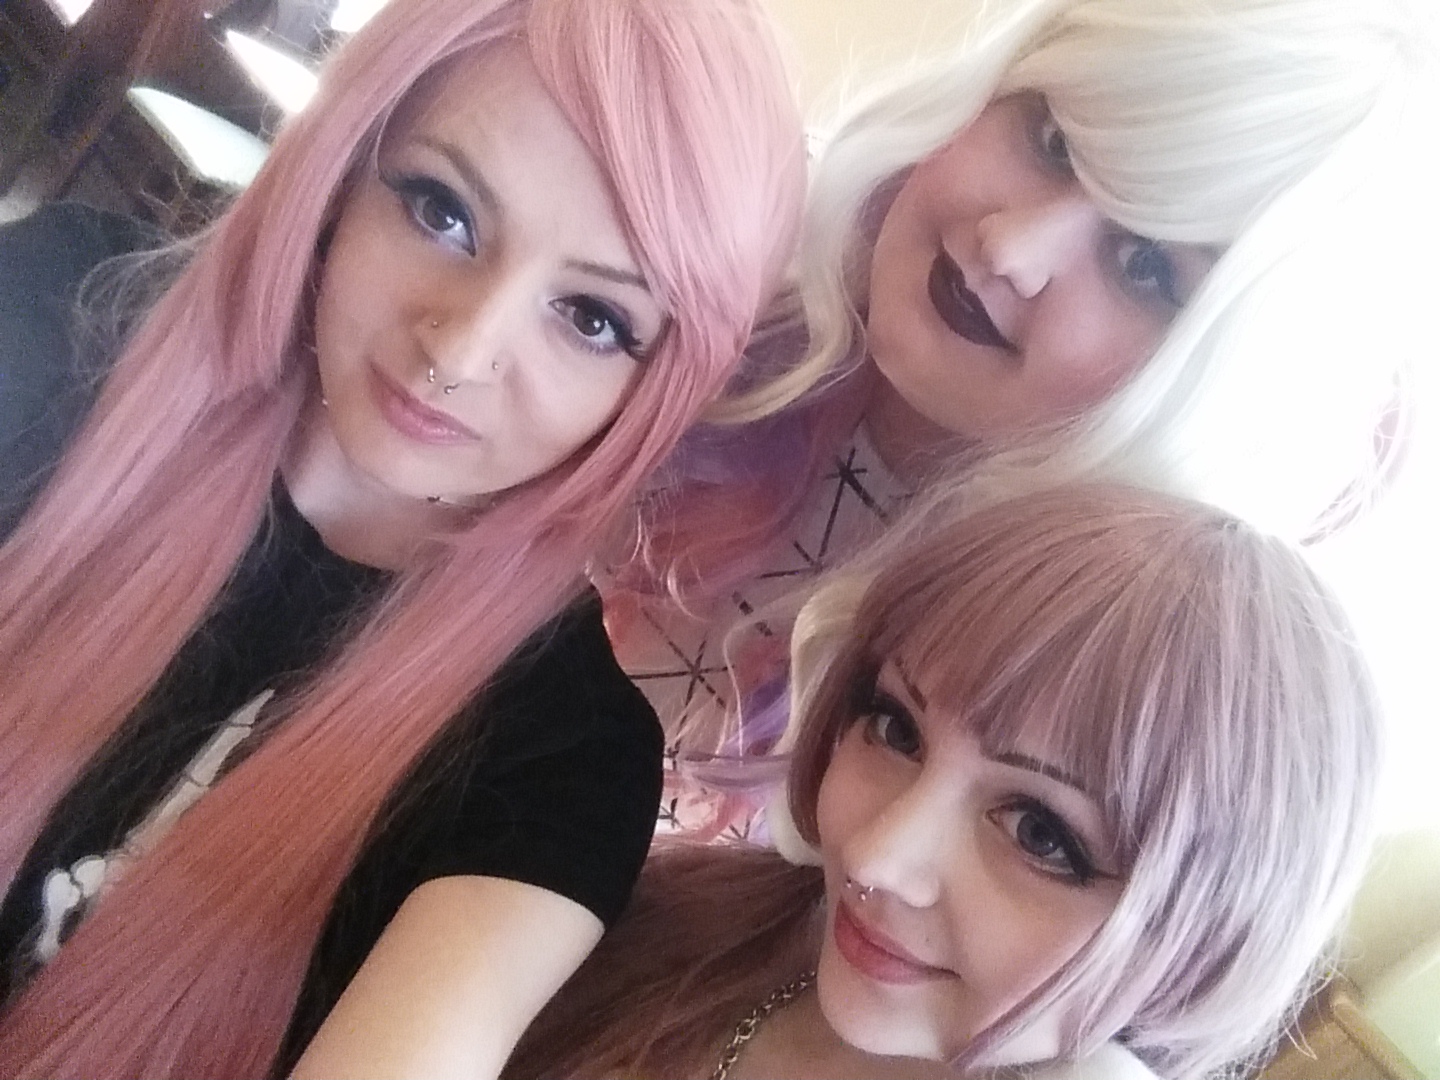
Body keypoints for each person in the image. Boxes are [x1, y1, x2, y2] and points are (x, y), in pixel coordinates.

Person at [0, 0, 805, 1077]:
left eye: (592, 318)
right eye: (442, 211)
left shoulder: (561, 763)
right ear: (345, 162)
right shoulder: (52, 321)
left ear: (652, 388)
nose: (461, 351)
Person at [606, 0, 1433, 774]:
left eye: (1145, 266)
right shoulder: (666, 246)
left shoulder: (1101, 697)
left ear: (1215, 396)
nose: (1011, 249)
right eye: (1054, 143)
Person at [515, 485, 1382, 1080]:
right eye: (895, 727)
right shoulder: (666, 917)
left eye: (1041, 833)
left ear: (1209, 936)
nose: (877, 858)